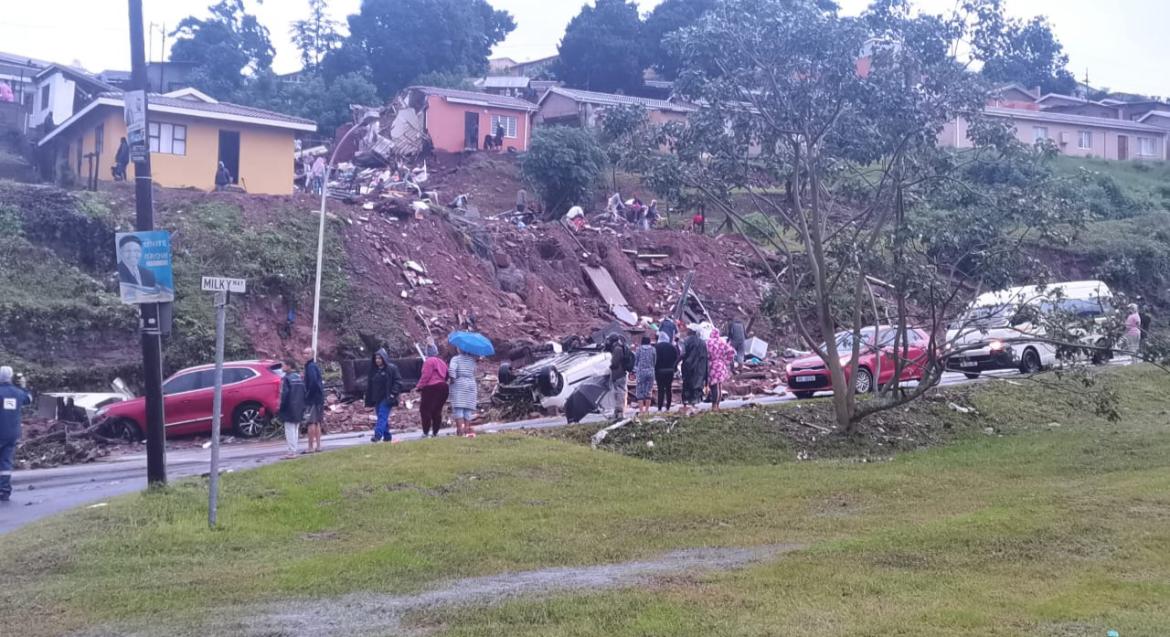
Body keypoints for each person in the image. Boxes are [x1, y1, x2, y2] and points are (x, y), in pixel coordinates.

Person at [0, 366, 31, 502]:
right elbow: (29, 399)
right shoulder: (18, 393)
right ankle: (4, 490)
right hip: (12, 434)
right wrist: (23, 385)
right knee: (5, 462)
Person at [365, 349, 402, 442]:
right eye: (376, 358)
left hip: (387, 397)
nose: (377, 360)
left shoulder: (391, 368)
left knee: (382, 415)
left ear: (384, 359)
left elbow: (398, 381)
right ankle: (387, 437)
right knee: (381, 417)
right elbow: (370, 385)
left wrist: (393, 393)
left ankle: (377, 435)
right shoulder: (373, 370)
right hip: (377, 398)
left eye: (380, 358)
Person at [417, 344, 449, 438]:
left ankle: (426, 432)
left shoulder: (429, 361)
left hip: (431, 387)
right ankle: (435, 432)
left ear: (427, 352)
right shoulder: (442, 362)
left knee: (425, 410)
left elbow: (426, 375)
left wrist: (419, 386)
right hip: (443, 387)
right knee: (437, 410)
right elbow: (447, 375)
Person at [278, 361, 307, 458]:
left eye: (283, 365)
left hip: (289, 407)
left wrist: (281, 407)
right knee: (295, 429)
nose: (282, 367)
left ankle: (291, 452)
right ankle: (294, 450)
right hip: (299, 406)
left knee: (289, 430)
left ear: (289, 366)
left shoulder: (286, 378)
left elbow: (284, 394)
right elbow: (304, 392)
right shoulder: (299, 377)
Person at [448, 348, 478, 437]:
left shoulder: (456, 359)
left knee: (459, 409)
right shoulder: (472, 360)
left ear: (459, 349)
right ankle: (466, 431)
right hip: (471, 384)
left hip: (460, 384)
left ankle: (460, 431)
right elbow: (474, 372)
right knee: (468, 410)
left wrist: (452, 380)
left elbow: (451, 370)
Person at [680, 324, 709, 416]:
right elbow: (705, 357)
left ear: (691, 331)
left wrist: (675, 363)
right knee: (697, 385)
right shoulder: (703, 342)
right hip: (700, 368)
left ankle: (685, 403)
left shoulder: (686, 341)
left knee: (687, 384)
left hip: (688, 366)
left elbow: (683, 354)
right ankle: (694, 404)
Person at [706, 328, 736, 411]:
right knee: (719, 385)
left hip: (712, 365)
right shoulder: (722, 342)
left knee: (714, 386)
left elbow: (705, 354)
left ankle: (714, 405)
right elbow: (731, 351)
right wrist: (726, 361)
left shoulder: (708, 342)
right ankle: (717, 405)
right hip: (721, 365)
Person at [303, 348, 325, 453]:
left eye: (307, 353)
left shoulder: (310, 367)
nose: (305, 355)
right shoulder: (314, 366)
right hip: (319, 398)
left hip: (313, 399)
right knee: (317, 422)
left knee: (311, 422)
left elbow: (313, 383)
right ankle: (319, 446)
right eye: (304, 353)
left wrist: (307, 395)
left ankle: (311, 447)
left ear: (312, 355)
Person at [654, 332, 680, 412]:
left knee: (660, 389)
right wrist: (674, 367)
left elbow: (654, 359)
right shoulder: (672, 347)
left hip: (659, 371)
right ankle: (668, 406)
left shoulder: (656, 347)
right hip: (669, 371)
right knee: (668, 388)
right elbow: (677, 357)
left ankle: (659, 407)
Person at [608, 335, 631, 419]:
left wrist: (610, 365)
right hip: (621, 373)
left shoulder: (617, 349)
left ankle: (620, 411)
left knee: (619, 393)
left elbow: (615, 362)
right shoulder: (622, 347)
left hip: (618, 373)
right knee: (619, 393)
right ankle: (617, 412)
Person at [633, 336, 657, 415]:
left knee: (640, 391)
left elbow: (636, 361)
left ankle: (641, 411)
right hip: (650, 372)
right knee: (648, 391)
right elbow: (654, 361)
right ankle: (647, 411)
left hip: (641, 372)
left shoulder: (639, 349)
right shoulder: (653, 349)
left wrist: (634, 370)